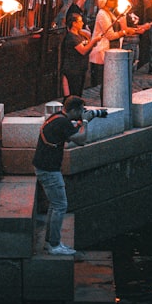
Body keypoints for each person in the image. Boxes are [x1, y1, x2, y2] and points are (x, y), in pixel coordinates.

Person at [33, 96, 100, 256]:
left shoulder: (57, 118)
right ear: (75, 110)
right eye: (81, 110)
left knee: (55, 205)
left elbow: (72, 138)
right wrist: (85, 122)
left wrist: (80, 123)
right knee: (60, 205)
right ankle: (54, 245)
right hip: (49, 170)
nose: (82, 113)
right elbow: (82, 140)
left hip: (44, 167)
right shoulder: (62, 122)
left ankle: (51, 242)